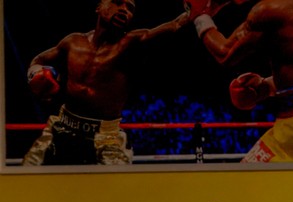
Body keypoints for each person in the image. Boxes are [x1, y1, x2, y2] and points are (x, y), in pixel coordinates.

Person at [22, 0, 191, 166]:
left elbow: (175, 25)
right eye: (118, 2)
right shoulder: (73, 42)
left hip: (106, 137)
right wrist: (36, 74)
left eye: (130, 8)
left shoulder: (131, 44)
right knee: (26, 177)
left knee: (115, 189)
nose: (124, 10)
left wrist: (198, 11)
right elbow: (38, 60)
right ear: (98, 7)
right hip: (62, 126)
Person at [186, 0, 293, 162]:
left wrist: (200, 17)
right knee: (246, 183)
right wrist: (265, 87)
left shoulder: (270, 9)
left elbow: (225, 53)